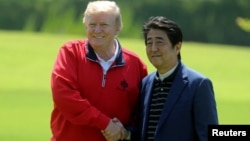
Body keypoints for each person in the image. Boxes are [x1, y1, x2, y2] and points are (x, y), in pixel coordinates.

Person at [50, 1, 147, 141]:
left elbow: (141, 113)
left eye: (104, 25)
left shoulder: (136, 64)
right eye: (92, 25)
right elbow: (64, 96)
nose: (97, 30)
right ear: (85, 26)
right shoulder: (70, 53)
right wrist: (105, 124)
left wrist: (125, 133)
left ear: (117, 28)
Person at [138, 16, 218, 141]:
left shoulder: (198, 85)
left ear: (177, 47)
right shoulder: (145, 83)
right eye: (149, 43)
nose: (153, 48)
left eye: (159, 42)